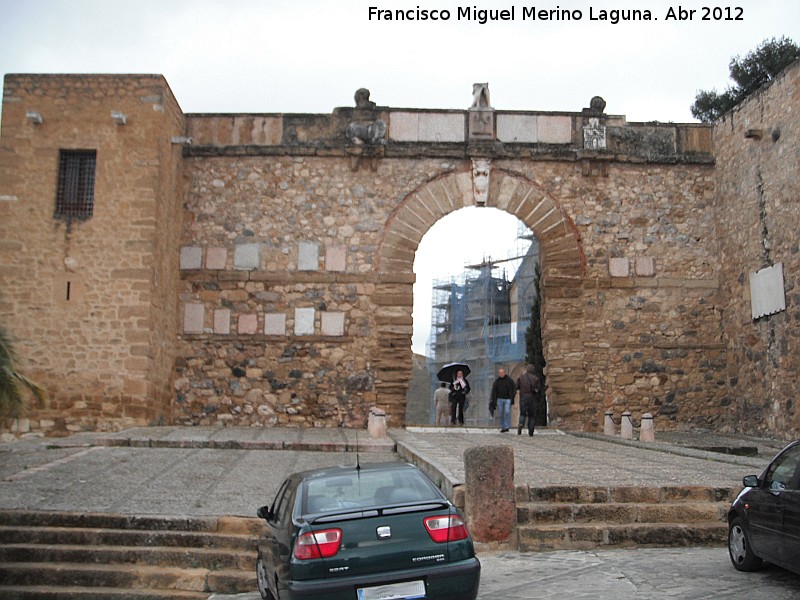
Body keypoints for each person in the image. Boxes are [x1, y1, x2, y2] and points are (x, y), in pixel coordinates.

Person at [516, 365, 542, 437]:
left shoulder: (521, 378)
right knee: (531, 415)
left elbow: (516, 386)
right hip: (532, 398)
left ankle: (521, 424)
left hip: (523, 397)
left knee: (523, 413)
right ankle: (531, 431)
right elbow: (538, 389)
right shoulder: (536, 378)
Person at [489, 367, 516, 433]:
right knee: (501, 413)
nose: (501, 374)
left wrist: (512, 395)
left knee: (507, 412)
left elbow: (514, 387)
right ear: (498, 374)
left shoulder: (509, 380)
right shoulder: (496, 381)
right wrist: (492, 399)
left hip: (507, 399)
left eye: (502, 373)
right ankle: (503, 427)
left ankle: (507, 426)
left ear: (504, 373)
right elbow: (493, 391)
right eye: (500, 373)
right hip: (499, 399)